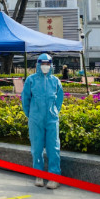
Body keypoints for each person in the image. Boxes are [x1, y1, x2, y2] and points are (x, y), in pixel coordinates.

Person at [22, 53, 64, 189]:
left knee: (54, 147)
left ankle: (54, 177)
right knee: (37, 148)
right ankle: (38, 175)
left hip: (51, 119)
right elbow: (25, 99)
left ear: (51, 65)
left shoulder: (55, 81)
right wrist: (31, 114)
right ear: (38, 64)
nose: (45, 66)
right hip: (35, 119)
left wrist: (54, 112)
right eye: (43, 63)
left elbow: (59, 99)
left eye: (48, 64)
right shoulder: (31, 80)